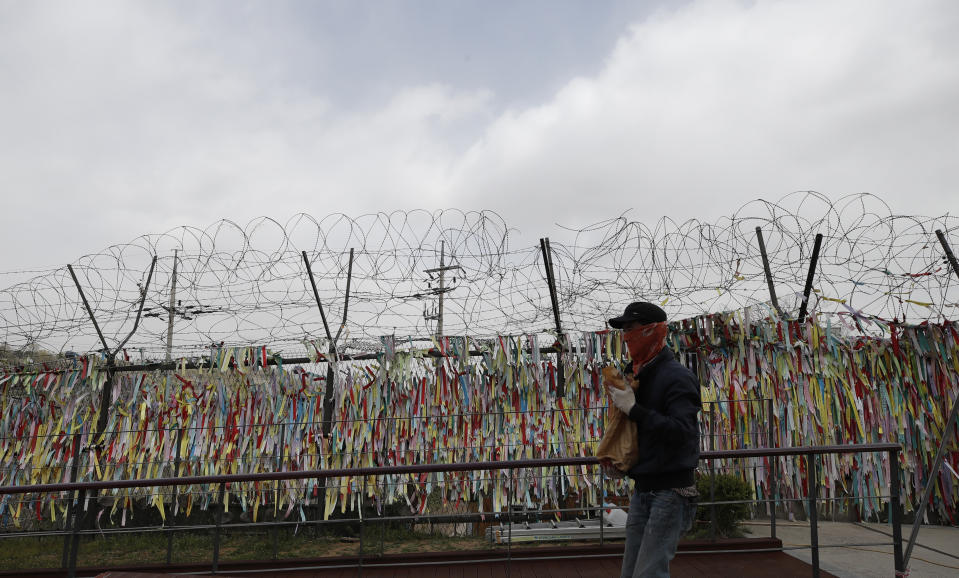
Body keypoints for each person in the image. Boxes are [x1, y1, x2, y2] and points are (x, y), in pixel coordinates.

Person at [602, 301, 701, 578]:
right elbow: (641, 434)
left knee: (649, 573)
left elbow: (683, 432)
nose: (625, 336)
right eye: (623, 330)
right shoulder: (635, 375)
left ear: (651, 331)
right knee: (632, 572)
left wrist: (635, 409)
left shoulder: (678, 377)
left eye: (631, 329)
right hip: (643, 489)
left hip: (671, 491)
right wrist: (620, 461)